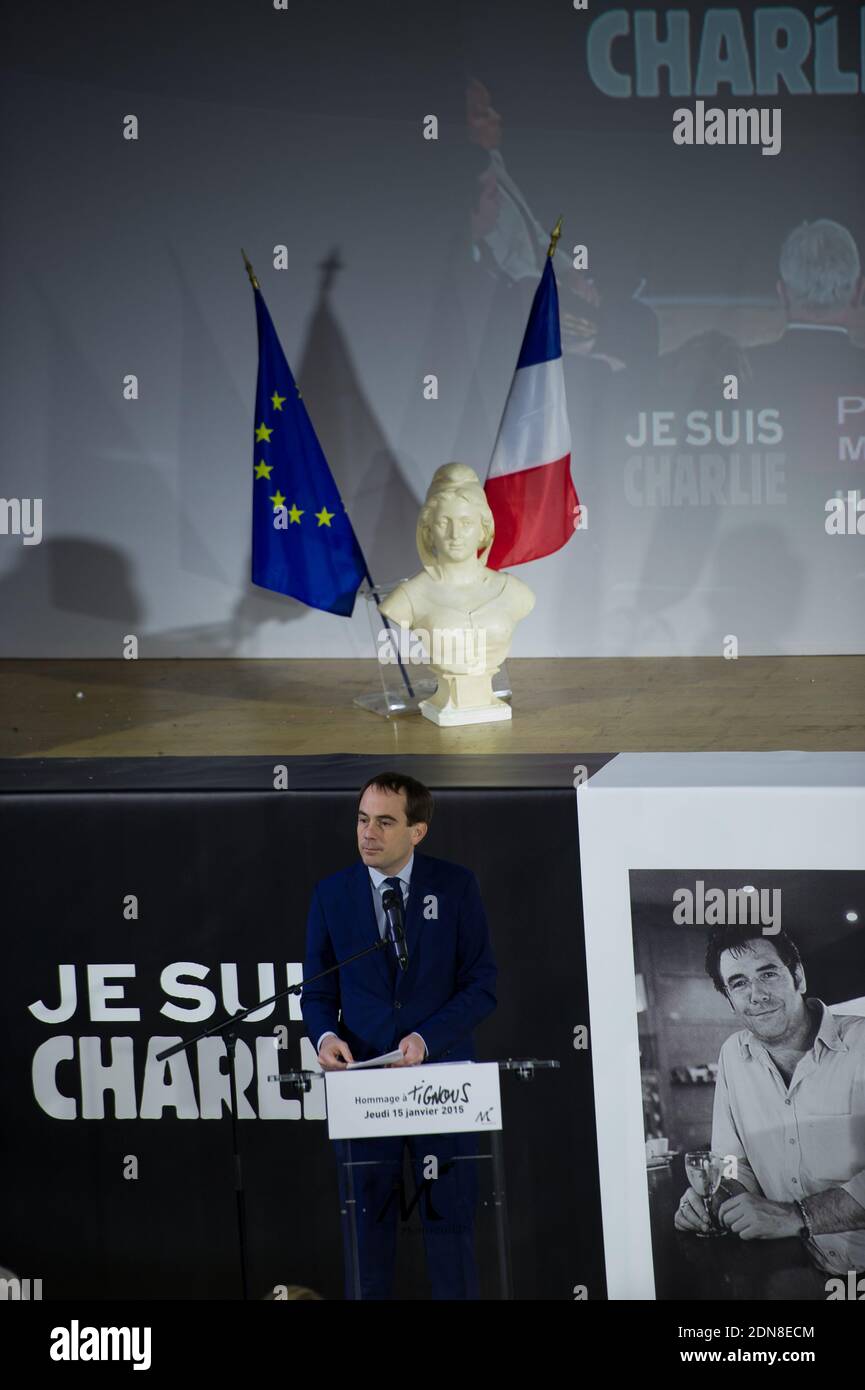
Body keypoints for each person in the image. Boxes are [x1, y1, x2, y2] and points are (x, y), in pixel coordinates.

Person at [301, 771, 497, 1299]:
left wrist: (425, 1040)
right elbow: (316, 993)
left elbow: (482, 986)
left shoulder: (455, 887)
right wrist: (324, 1038)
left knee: (451, 1237)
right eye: (363, 820)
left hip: (441, 1085)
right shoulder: (332, 895)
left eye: (385, 822)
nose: (368, 833)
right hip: (365, 1090)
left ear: (418, 831)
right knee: (366, 1241)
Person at [674, 928, 865, 1277]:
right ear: (730, 999)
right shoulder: (732, 1055)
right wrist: (715, 1196)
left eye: (768, 973)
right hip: (798, 1270)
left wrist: (797, 1216)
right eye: (738, 983)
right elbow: (732, 1162)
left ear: (798, 977)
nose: (756, 994)